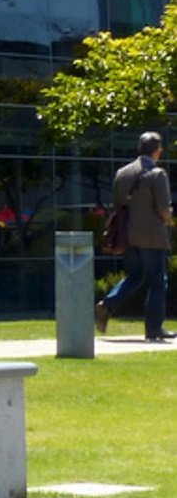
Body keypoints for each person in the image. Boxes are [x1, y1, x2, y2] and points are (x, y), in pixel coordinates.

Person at [97, 131, 173, 341]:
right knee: (158, 281)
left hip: (128, 235)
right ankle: (154, 329)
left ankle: (108, 304)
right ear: (157, 151)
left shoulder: (122, 173)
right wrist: (169, 219)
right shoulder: (157, 174)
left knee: (136, 276)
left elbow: (118, 205)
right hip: (152, 237)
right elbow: (164, 209)